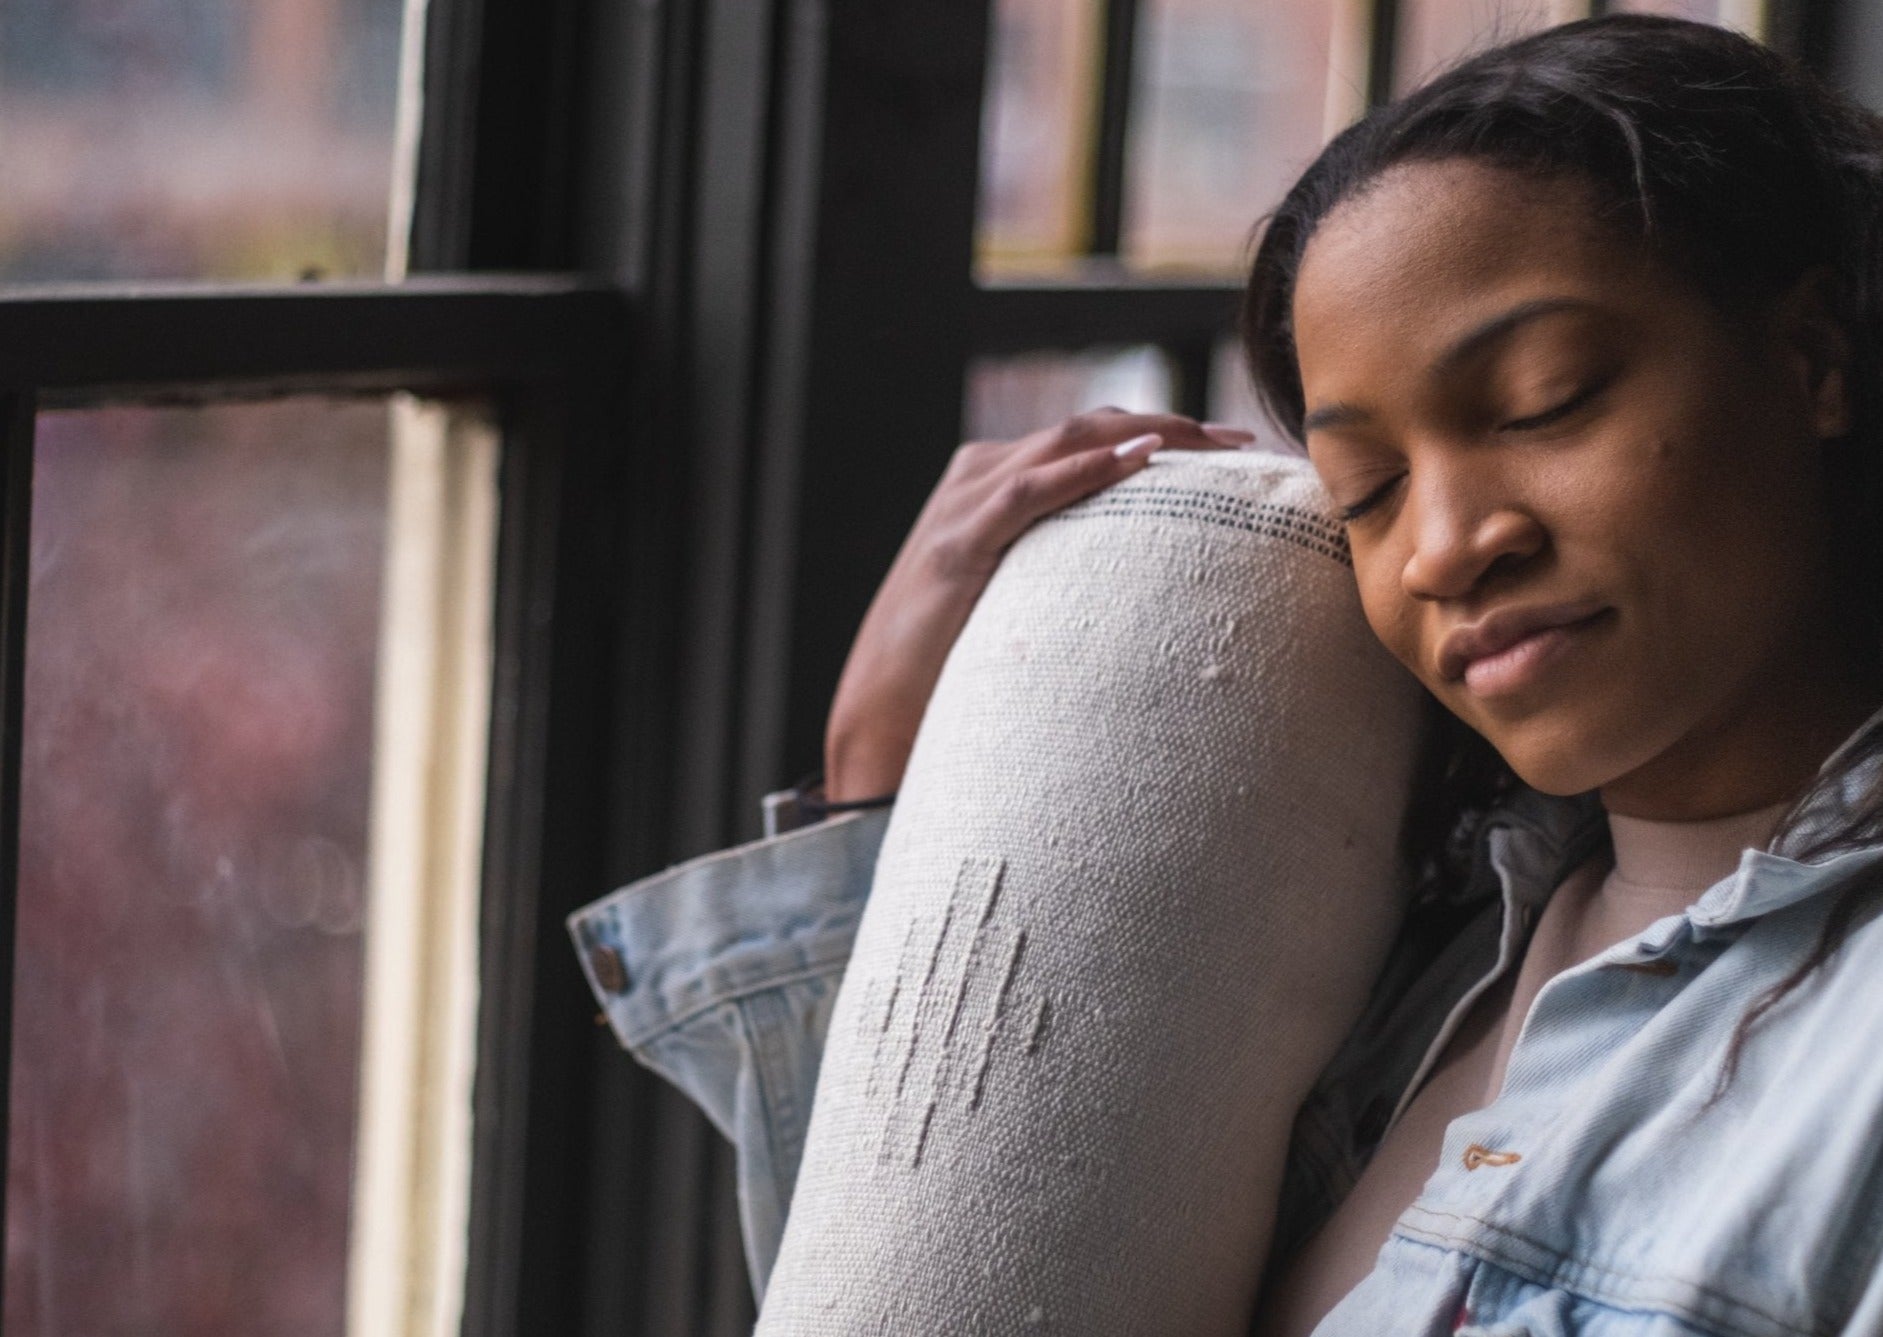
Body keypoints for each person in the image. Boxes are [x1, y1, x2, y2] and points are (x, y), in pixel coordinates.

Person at [568, 14, 1883, 1333]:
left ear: (1811, 359)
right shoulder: (1353, 934)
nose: (1445, 547)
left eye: (1543, 401)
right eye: (1368, 489)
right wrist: (873, 776)